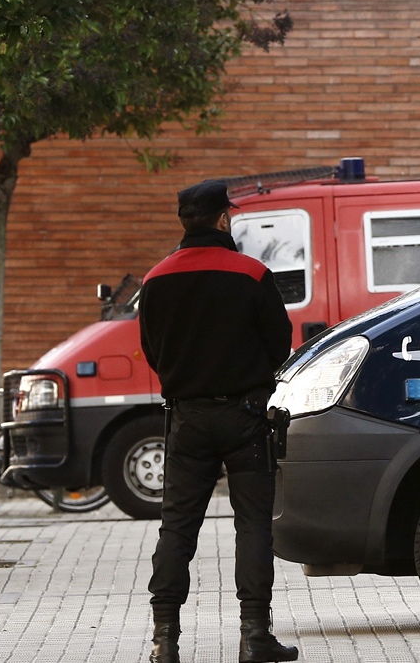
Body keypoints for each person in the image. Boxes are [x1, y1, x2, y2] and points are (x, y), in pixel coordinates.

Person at [138, 179, 298, 663]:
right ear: (223, 218)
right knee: (253, 526)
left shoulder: (155, 279)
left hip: (186, 419)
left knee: (177, 528)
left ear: (184, 220)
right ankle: (255, 637)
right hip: (245, 416)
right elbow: (279, 343)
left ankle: (165, 640)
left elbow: (151, 350)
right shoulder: (252, 273)